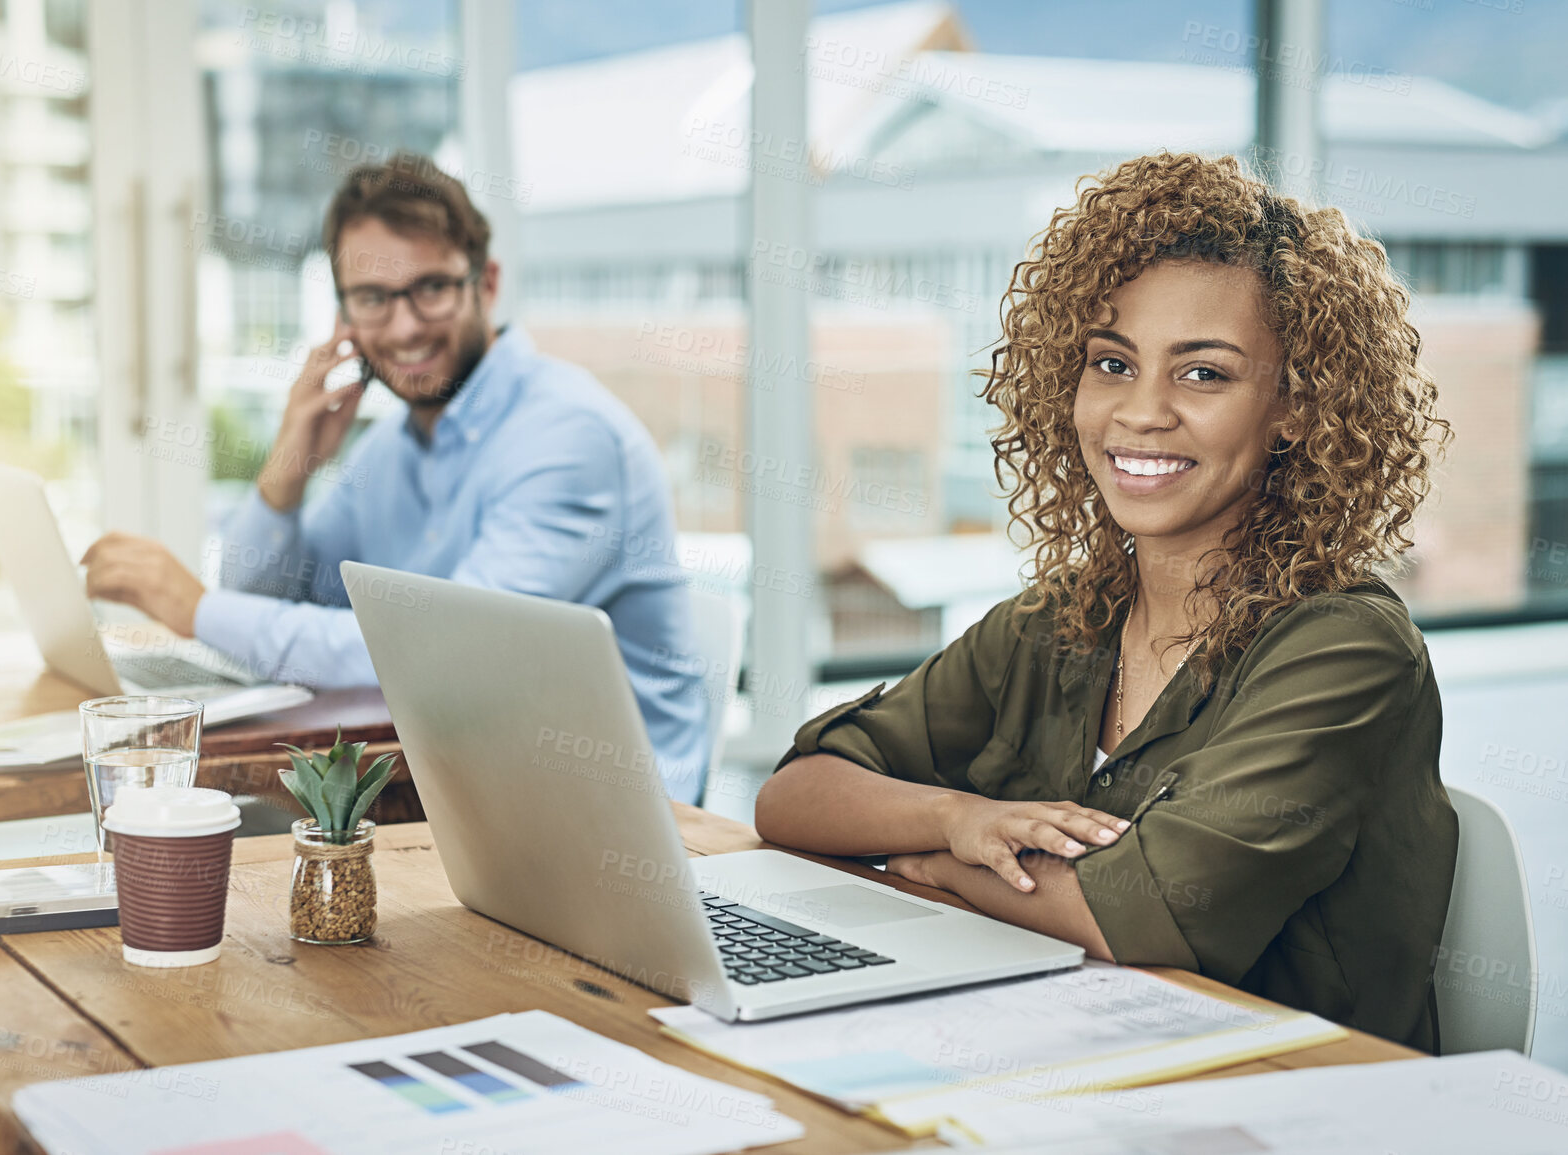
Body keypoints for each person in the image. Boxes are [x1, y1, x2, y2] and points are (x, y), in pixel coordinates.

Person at [755, 152, 1457, 1051]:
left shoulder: (1344, 649)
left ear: (1293, 406)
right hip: (1055, 1061)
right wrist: (955, 820)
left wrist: (937, 865)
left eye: (1202, 374)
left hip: (1285, 1102)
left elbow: (1141, 916)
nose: (1141, 412)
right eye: (1111, 363)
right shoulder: (1063, 620)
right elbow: (796, 795)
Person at [83, 153, 711, 802]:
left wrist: (196, 610)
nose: (405, 325)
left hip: (611, 829)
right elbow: (280, 602)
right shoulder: (392, 445)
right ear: (344, 318)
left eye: (430, 288)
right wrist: (286, 472)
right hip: (463, 796)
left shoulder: (568, 439)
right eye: (373, 298)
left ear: (485, 284)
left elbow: (438, 662)